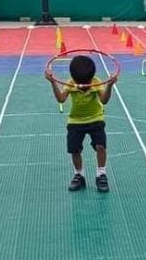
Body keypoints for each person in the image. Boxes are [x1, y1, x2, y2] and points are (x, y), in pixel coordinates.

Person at [45, 54, 117, 192]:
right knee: (74, 150)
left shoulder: (96, 82)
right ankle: (79, 175)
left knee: (101, 146)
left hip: (96, 118)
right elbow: (61, 99)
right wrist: (53, 82)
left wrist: (109, 85)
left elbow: (104, 100)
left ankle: (101, 174)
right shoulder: (71, 83)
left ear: (91, 77)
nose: (84, 85)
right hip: (75, 121)